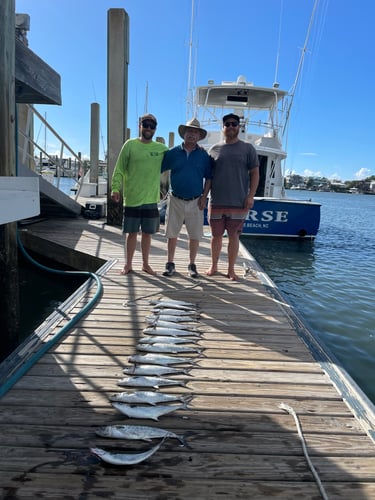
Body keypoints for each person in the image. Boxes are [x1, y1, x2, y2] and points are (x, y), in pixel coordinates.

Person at [111, 113, 168, 275]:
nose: (148, 128)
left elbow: (177, 155)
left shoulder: (161, 148)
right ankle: (128, 264)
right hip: (132, 198)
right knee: (131, 234)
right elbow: (119, 169)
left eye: (152, 126)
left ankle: (145, 264)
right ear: (140, 126)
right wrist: (115, 188)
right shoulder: (129, 145)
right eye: (146, 124)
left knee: (147, 234)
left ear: (155, 129)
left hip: (151, 199)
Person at [206, 113, 260, 281]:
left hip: (239, 202)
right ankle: (214, 265)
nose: (230, 127)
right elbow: (209, 177)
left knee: (234, 236)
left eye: (234, 124)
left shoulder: (248, 148)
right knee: (215, 236)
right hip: (216, 202)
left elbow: (255, 173)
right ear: (223, 127)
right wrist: (203, 196)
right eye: (227, 124)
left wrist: (251, 196)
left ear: (239, 127)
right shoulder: (214, 149)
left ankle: (231, 269)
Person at [161, 118, 213, 278]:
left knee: (195, 235)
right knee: (172, 233)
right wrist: (160, 191)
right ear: (184, 134)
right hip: (175, 199)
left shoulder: (204, 155)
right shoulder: (172, 153)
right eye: (189, 131)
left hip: (196, 200)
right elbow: (159, 170)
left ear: (199, 136)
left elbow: (209, 178)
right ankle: (170, 263)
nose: (192, 134)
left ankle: (192, 264)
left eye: (195, 132)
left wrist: (205, 197)